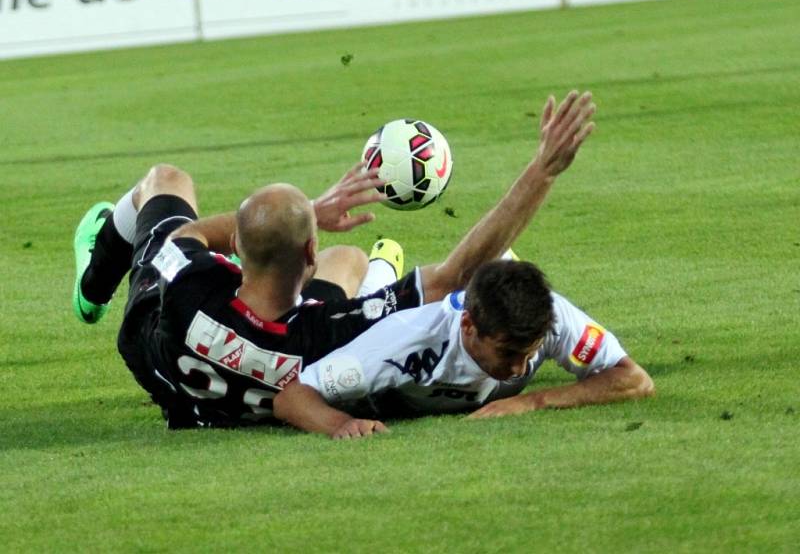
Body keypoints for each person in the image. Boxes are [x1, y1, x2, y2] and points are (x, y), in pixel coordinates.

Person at [72, 90, 597, 429]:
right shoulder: (328, 335)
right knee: (348, 260)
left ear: (238, 253)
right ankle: (375, 265)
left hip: (155, 351)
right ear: (307, 252)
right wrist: (543, 170)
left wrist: (302, 213)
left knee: (165, 181)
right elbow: (456, 275)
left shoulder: (189, 286)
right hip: (225, 398)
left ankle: (94, 288)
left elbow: (184, 239)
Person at [273, 259, 655, 439]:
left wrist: (532, 401)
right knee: (337, 280)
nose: (521, 368)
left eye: (531, 352)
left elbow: (633, 379)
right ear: (469, 327)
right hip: (359, 323)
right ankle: (377, 263)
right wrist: (342, 424)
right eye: (508, 354)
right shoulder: (404, 342)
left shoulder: (552, 315)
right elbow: (291, 397)